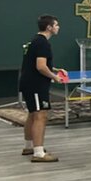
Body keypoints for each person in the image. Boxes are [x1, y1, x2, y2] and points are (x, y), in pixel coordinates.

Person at [18, 14, 66, 162]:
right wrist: (55, 77)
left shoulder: (35, 41)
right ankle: (39, 153)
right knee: (40, 115)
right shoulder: (43, 43)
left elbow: (39, 63)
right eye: (56, 25)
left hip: (28, 83)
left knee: (32, 114)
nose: (58, 27)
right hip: (36, 85)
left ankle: (29, 146)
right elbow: (40, 67)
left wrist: (55, 69)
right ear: (49, 27)